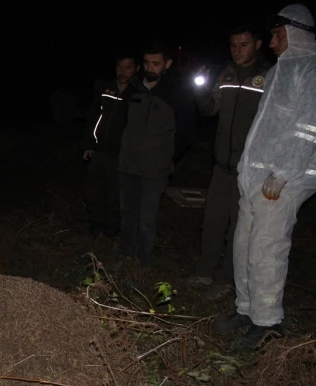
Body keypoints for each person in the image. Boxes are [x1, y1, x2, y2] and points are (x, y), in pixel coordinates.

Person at [213, 4, 316, 350]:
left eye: (277, 35)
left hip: (285, 179)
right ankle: (246, 310)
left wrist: (284, 172)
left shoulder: (311, 70)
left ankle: (268, 322)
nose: (271, 42)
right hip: (255, 177)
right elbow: (262, 128)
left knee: (266, 250)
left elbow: (308, 129)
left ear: (297, 32)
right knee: (243, 246)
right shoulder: (276, 73)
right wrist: (247, 169)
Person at [189, 24, 272, 293]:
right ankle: (204, 272)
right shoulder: (225, 73)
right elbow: (211, 109)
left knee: (239, 227)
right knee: (213, 220)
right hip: (222, 165)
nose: (237, 51)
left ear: (257, 45)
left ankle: (227, 279)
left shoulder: (269, 76)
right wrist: (200, 94)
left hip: (250, 169)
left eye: (243, 45)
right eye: (233, 45)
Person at [118, 41, 197, 266]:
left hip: (156, 170)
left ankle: (142, 263)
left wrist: (166, 156)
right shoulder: (133, 88)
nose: (150, 68)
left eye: (156, 63)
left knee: (147, 220)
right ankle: (124, 258)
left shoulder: (177, 93)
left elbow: (187, 132)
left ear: (167, 64)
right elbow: (122, 124)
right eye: (146, 62)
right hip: (127, 166)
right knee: (127, 217)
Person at [81, 52, 139, 238]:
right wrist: (89, 144)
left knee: (117, 192)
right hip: (100, 149)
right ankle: (95, 224)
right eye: (119, 67)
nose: (122, 71)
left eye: (127, 67)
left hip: (122, 153)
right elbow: (93, 118)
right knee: (94, 189)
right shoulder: (106, 89)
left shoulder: (138, 94)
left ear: (136, 68)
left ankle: (113, 227)